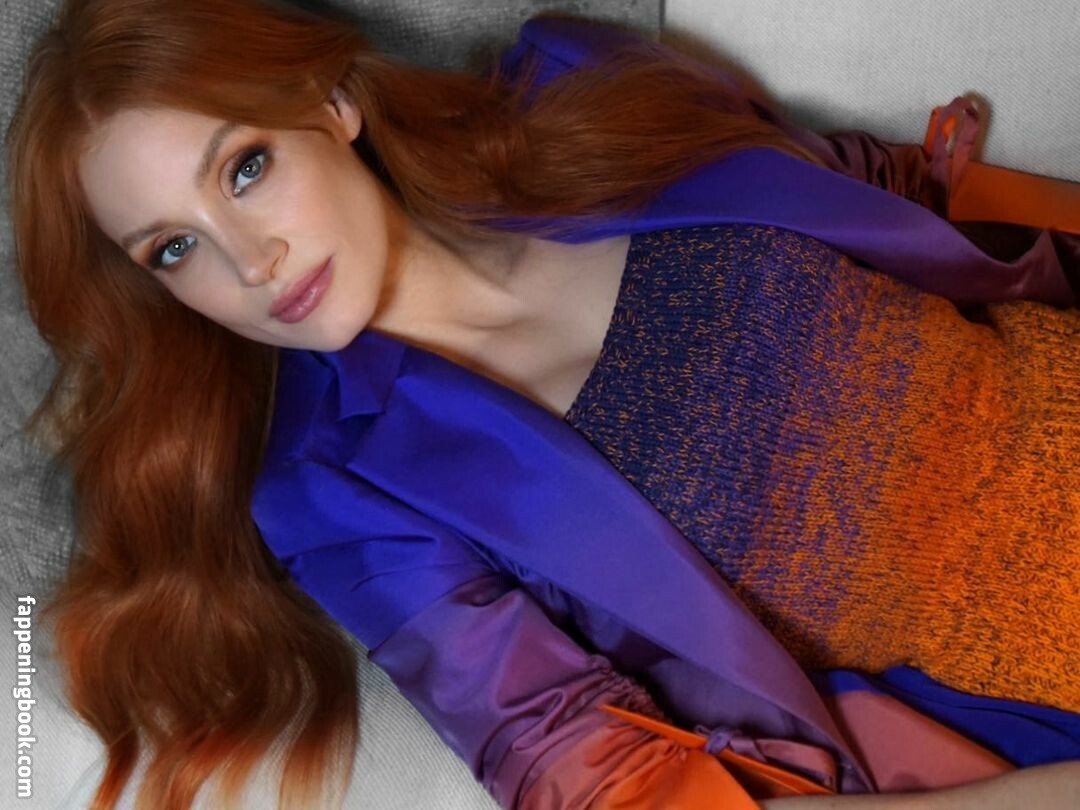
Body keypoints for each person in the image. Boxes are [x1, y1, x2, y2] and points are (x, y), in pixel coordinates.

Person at [5, 0, 1078, 808]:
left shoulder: (574, 81)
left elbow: (853, 190)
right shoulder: (333, 497)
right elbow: (592, 776)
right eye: (174, 248)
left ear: (331, 104)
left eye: (244, 169)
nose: (250, 262)